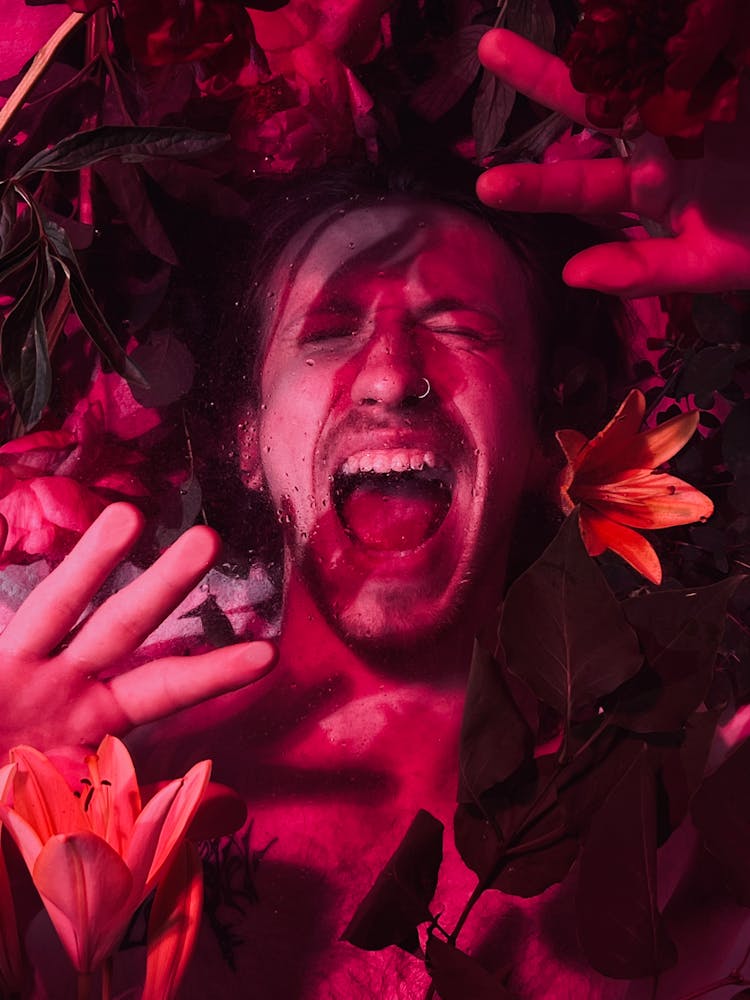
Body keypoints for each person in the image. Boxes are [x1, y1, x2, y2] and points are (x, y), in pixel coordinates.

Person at [1, 28, 749, 999]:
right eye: (328, 330)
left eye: (458, 329)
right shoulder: (87, 786)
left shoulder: (677, 832)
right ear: (245, 441)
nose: (393, 377)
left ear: (538, 446)